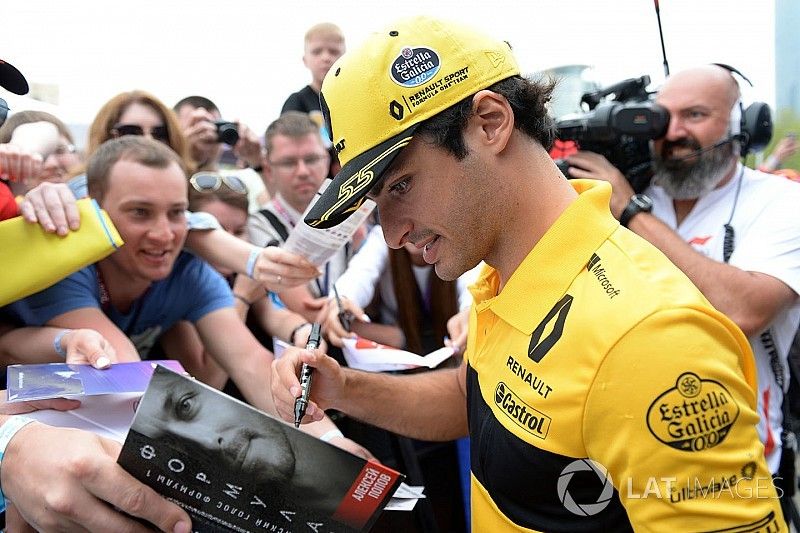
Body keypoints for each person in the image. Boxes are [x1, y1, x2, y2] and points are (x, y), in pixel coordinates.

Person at [271, 16, 785, 530]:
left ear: (491, 122)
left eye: (401, 186)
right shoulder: (503, 273)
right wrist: (341, 389)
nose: (391, 234)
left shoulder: (648, 338)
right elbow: (477, 402)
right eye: (375, 203)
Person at [9, 136, 368, 457]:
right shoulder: (66, 267)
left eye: (177, 213)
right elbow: (125, 376)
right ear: (95, 211)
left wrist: (333, 444)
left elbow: (250, 364)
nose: (164, 234)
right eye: (140, 213)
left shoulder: (188, 271)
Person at [565, 65, 800, 483]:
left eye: (694, 115)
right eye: (662, 117)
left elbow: (743, 310)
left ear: (742, 125)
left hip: (740, 468)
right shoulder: (623, 193)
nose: (672, 133)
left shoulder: (782, 201)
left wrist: (631, 213)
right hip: (624, 467)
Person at [247, 111, 350, 321]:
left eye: (311, 159)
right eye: (288, 163)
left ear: (326, 160)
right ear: (268, 169)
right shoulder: (258, 225)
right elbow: (307, 310)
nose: (302, 171)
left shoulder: (352, 214)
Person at [173, 95, 266, 211]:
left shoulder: (243, 182)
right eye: (194, 126)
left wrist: (257, 160)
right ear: (173, 133)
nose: (207, 132)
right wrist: (183, 152)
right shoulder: (168, 179)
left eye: (214, 126)